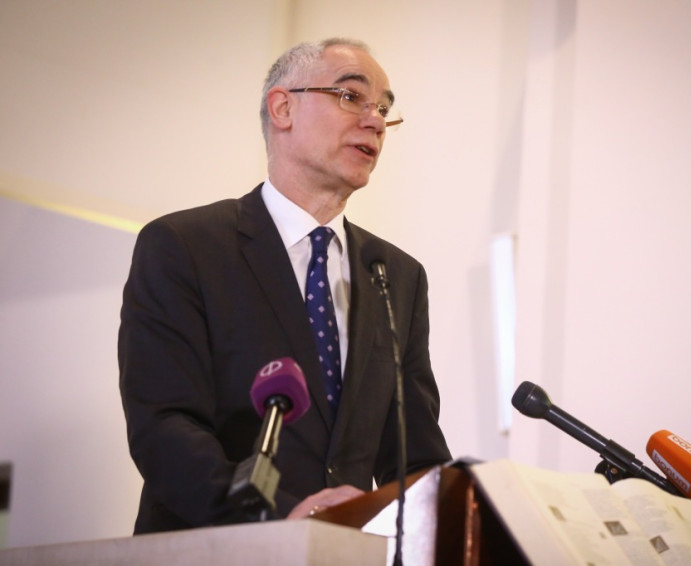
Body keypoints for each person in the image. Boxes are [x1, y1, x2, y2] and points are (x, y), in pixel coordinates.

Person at [118, 37, 451, 533]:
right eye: (351, 96)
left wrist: (442, 520)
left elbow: (414, 452)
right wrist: (283, 518)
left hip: (344, 555)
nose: (376, 122)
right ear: (283, 108)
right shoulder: (185, 246)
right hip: (215, 548)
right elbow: (165, 427)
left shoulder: (396, 275)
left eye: (383, 109)